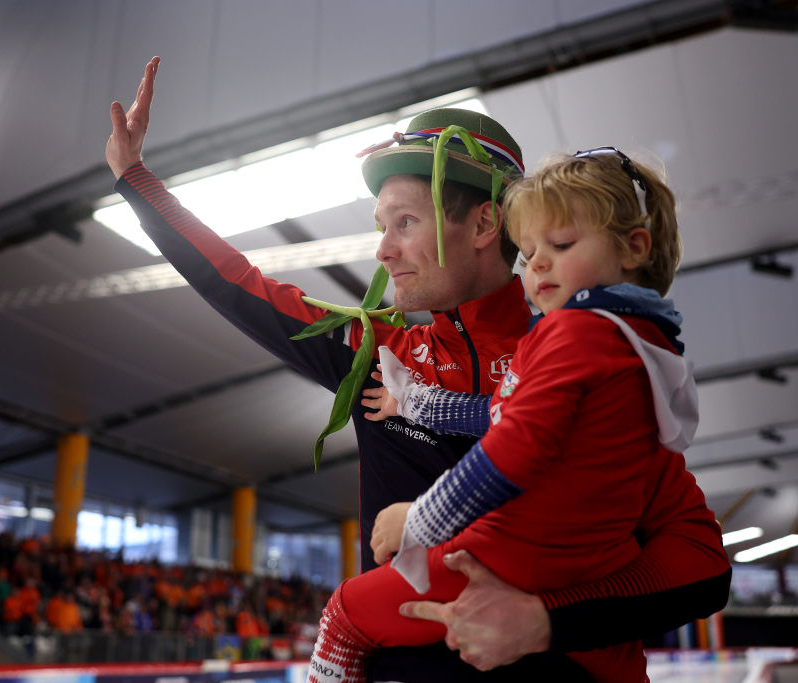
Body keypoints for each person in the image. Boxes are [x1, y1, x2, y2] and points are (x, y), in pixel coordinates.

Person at [105, 57, 730, 679]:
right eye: (382, 227)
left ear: (485, 223)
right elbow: (240, 285)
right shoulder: (376, 352)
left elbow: (699, 565)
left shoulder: (586, 358)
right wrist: (137, 180)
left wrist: (547, 618)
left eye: (404, 222)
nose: (382, 250)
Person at [306, 148, 726, 682]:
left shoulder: (569, 334)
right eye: (530, 254)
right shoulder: (640, 356)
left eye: (561, 245)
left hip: (506, 563)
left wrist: (419, 522)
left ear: (483, 226)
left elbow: (511, 445)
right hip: (583, 605)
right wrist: (413, 401)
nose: (540, 265)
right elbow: (500, 415)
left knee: (345, 612)